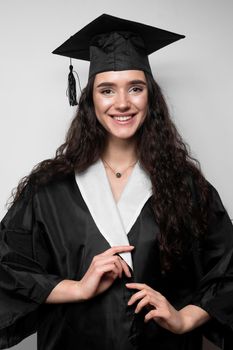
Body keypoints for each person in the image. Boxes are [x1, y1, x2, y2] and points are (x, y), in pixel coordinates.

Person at [0, 13, 232, 350]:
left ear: (150, 96)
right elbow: (7, 269)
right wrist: (77, 288)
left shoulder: (188, 188)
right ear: (90, 100)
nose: (122, 103)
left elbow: (226, 272)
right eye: (107, 90)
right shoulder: (48, 190)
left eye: (135, 88)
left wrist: (184, 319)